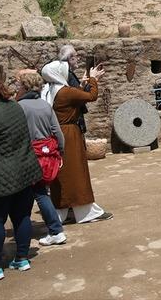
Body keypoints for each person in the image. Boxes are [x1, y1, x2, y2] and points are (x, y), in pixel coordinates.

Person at [0, 80, 42, 280]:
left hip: (1, 177)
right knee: (22, 216)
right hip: (24, 171)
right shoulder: (15, 107)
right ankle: (22, 258)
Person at [40, 60, 112, 223]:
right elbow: (91, 96)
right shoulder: (65, 92)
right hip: (69, 135)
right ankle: (86, 212)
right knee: (77, 173)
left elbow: (75, 96)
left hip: (58, 132)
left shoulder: (50, 89)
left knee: (64, 174)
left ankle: (62, 212)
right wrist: (93, 79)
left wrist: (86, 82)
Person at [14, 69, 68, 246]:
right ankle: (26, 227)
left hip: (28, 156)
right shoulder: (45, 106)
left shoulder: (19, 107)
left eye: (18, 84)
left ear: (25, 86)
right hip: (46, 156)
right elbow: (58, 133)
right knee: (36, 192)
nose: (16, 87)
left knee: (39, 193)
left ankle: (55, 230)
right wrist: (60, 152)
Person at [59, 44, 89, 133]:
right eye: (76, 56)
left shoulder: (65, 74)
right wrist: (93, 81)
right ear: (70, 59)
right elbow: (79, 96)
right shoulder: (69, 76)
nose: (78, 59)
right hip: (73, 120)